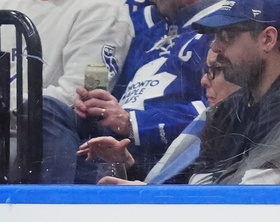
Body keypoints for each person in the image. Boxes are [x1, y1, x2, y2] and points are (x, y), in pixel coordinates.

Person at [90, 0, 280, 185]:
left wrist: (155, 198)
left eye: (227, 36)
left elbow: (253, 195)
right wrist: (131, 170)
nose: (215, 47)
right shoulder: (227, 111)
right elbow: (196, 187)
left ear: (267, 40)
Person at [0, 0, 134, 184]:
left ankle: (45, 207)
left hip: (50, 134)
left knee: (45, 110)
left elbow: (75, 97)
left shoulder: (103, 9)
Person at [62, 0, 217, 184]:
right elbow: (116, 96)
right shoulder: (145, 26)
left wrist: (132, 123)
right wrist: (92, 104)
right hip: (110, 149)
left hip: (161, 162)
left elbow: (215, 112)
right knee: (50, 110)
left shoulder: (223, 28)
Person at [78, 48, 241, 184]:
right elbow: (168, 188)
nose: (204, 81)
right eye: (206, 70)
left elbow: (204, 206)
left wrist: (132, 122)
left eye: (215, 70)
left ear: (243, 74)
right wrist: (126, 163)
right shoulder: (211, 124)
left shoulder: (240, 132)